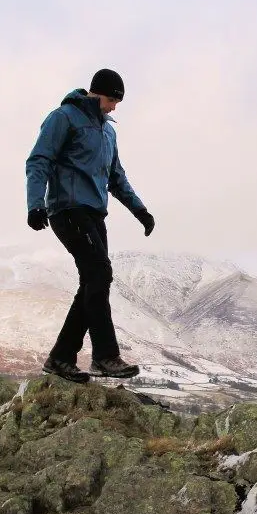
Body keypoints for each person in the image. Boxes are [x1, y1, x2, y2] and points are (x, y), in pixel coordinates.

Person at [24, 68, 155, 383]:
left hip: (95, 214)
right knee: (99, 274)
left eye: (117, 102)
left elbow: (116, 177)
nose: (114, 107)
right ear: (97, 93)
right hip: (67, 209)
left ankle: (60, 358)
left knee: (92, 283)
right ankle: (105, 356)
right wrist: (35, 204)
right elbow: (38, 160)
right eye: (112, 100)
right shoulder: (63, 118)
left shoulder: (109, 132)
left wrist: (140, 210)